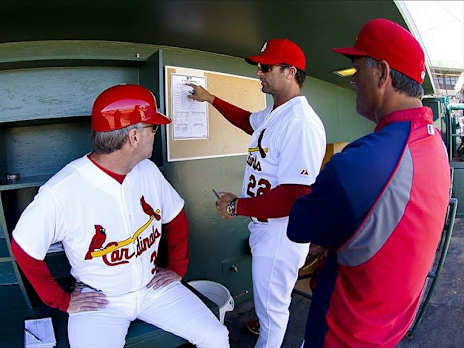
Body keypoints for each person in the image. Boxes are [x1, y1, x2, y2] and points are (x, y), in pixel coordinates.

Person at [11, 84, 229, 348]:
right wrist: (62, 301)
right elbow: (24, 248)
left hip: (153, 289)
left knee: (216, 337)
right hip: (101, 301)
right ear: (134, 137)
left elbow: (175, 215)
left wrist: (176, 268)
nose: (155, 134)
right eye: (153, 128)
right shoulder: (62, 190)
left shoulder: (147, 171)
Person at [287, 18, 451, 348]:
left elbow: (299, 227)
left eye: (356, 69)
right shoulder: (435, 143)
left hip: (340, 335)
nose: (353, 81)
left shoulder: (360, 161)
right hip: (388, 331)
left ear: (382, 74)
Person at [188, 38, 326, 347]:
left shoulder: (301, 123)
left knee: (273, 316)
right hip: (265, 227)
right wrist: (211, 99)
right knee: (269, 310)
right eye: (259, 67)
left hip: (281, 232)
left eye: (266, 67)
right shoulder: (275, 112)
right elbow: (246, 122)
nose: (259, 73)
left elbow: (295, 196)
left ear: (290, 72)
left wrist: (237, 206)